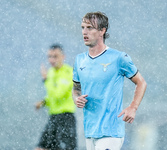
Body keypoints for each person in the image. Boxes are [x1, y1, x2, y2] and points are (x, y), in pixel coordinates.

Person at [72, 12, 147, 150]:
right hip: (90, 132)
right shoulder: (79, 60)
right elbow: (76, 89)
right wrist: (77, 99)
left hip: (111, 131)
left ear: (102, 30)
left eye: (89, 27)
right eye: (83, 27)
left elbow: (141, 82)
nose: (84, 32)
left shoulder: (119, 58)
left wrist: (133, 107)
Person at [35, 44, 77, 150]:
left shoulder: (69, 72)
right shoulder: (51, 72)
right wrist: (44, 102)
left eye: (55, 56)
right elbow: (52, 96)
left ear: (63, 57)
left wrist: (46, 80)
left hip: (66, 118)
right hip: (53, 118)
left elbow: (59, 94)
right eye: (49, 56)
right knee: (40, 148)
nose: (52, 60)